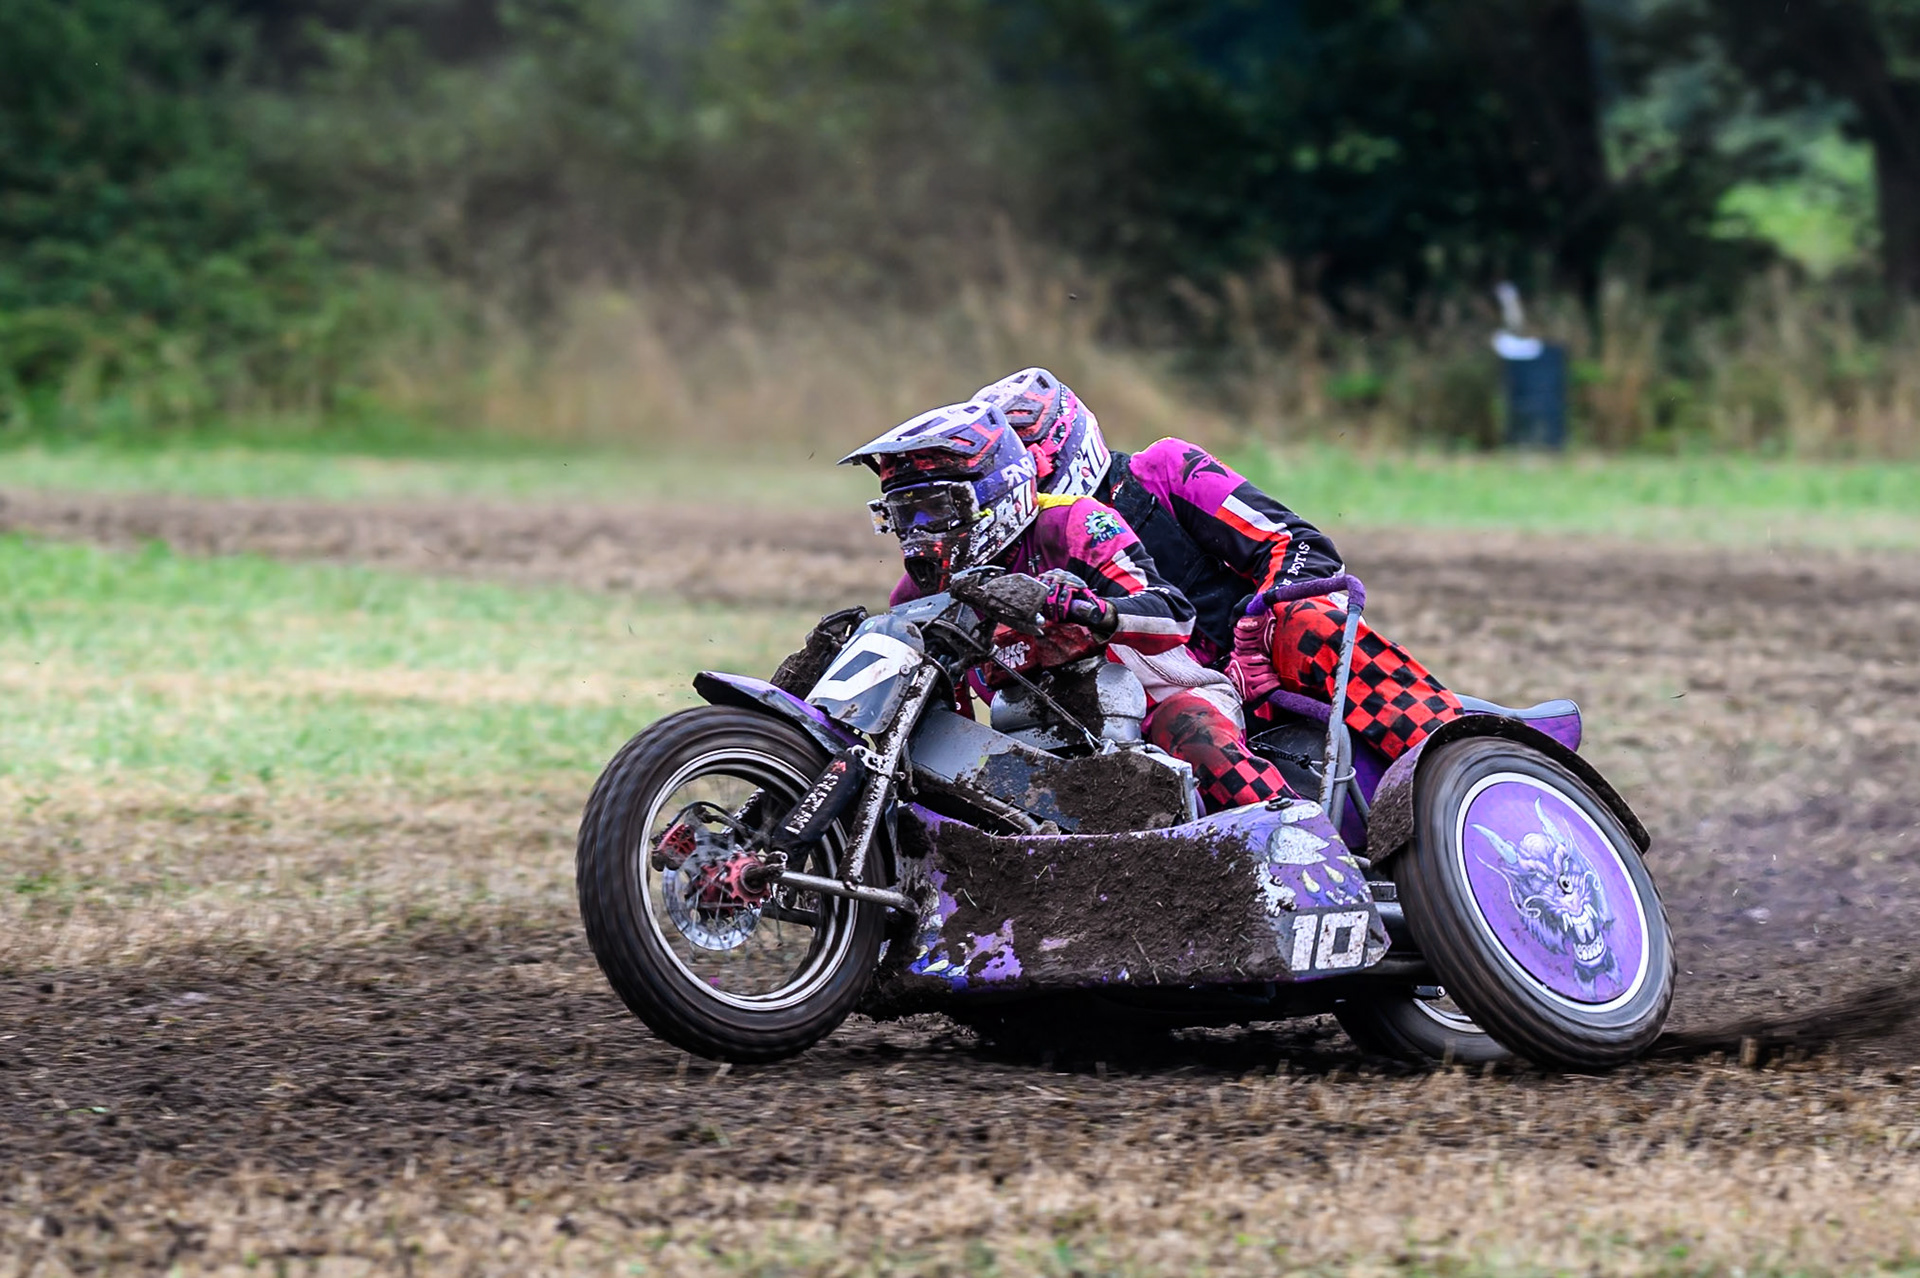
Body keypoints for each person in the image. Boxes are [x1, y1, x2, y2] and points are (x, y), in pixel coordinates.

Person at [972, 367, 1465, 767]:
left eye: (1027, 453)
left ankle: (1458, 753)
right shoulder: (997, 564)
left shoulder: (1162, 470)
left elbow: (1301, 546)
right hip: (1153, 717)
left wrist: (1258, 626)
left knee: (1307, 624)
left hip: (1263, 667)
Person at [842, 400, 1293, 811]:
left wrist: (1075, 605)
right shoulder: (915, 595)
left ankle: (1299, 837)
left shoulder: (1075, 522)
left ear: (992, 492)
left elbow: (1174, 616)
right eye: (902, 514)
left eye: (933, 508)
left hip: (1164, 699)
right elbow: (946, 726)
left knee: (1191, 733)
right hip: (1037, 740)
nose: (920, 532)